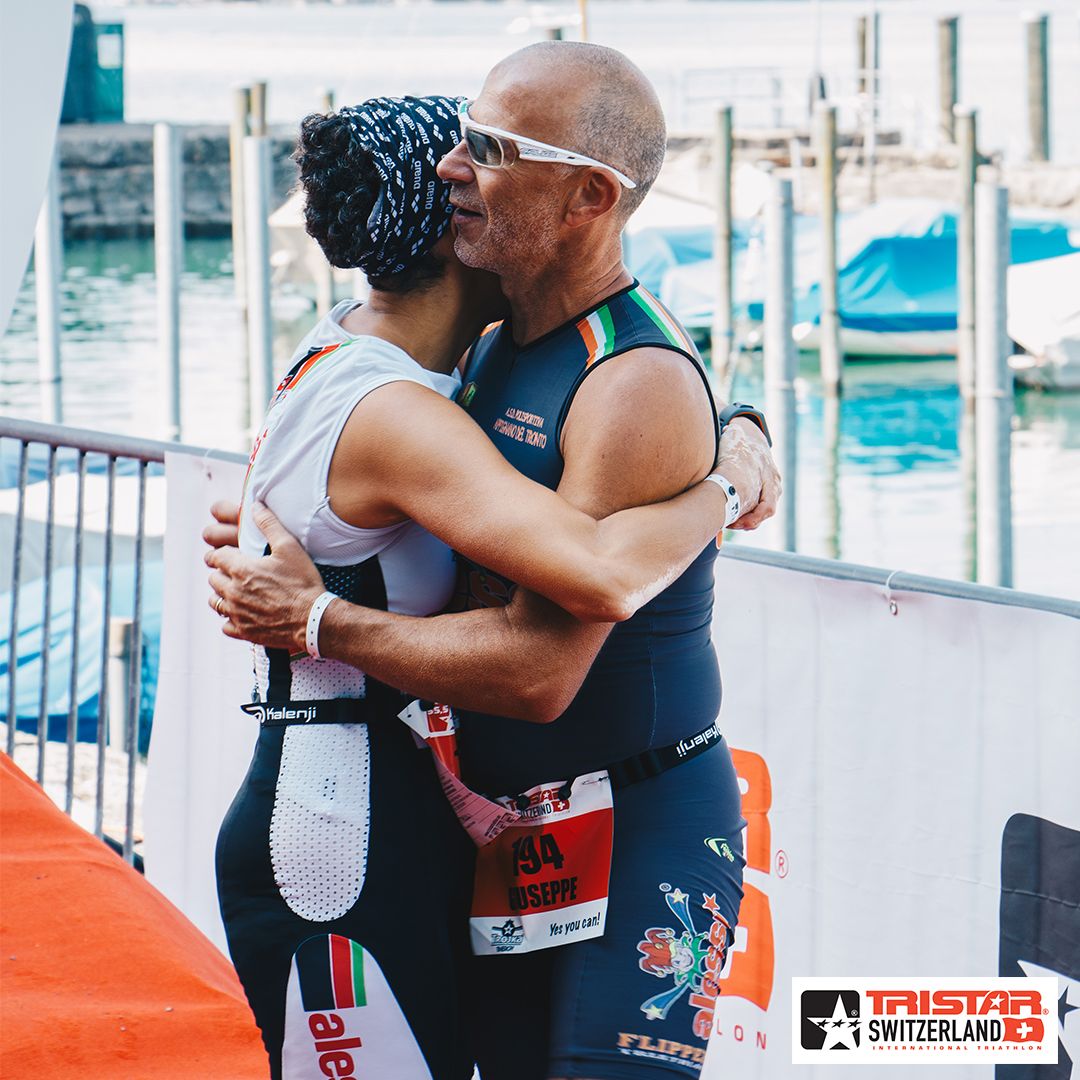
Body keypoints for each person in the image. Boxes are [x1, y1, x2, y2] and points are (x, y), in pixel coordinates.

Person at [210, 88, 779, 1080]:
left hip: (456, 816)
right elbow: (593, 579)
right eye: (458, 158)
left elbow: (631, 371)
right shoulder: (403, 404)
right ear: (449, 233)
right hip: (347, 823)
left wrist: (728, 414)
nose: (464, 175)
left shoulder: (423, 360)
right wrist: (729, 480)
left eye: (488, 151)